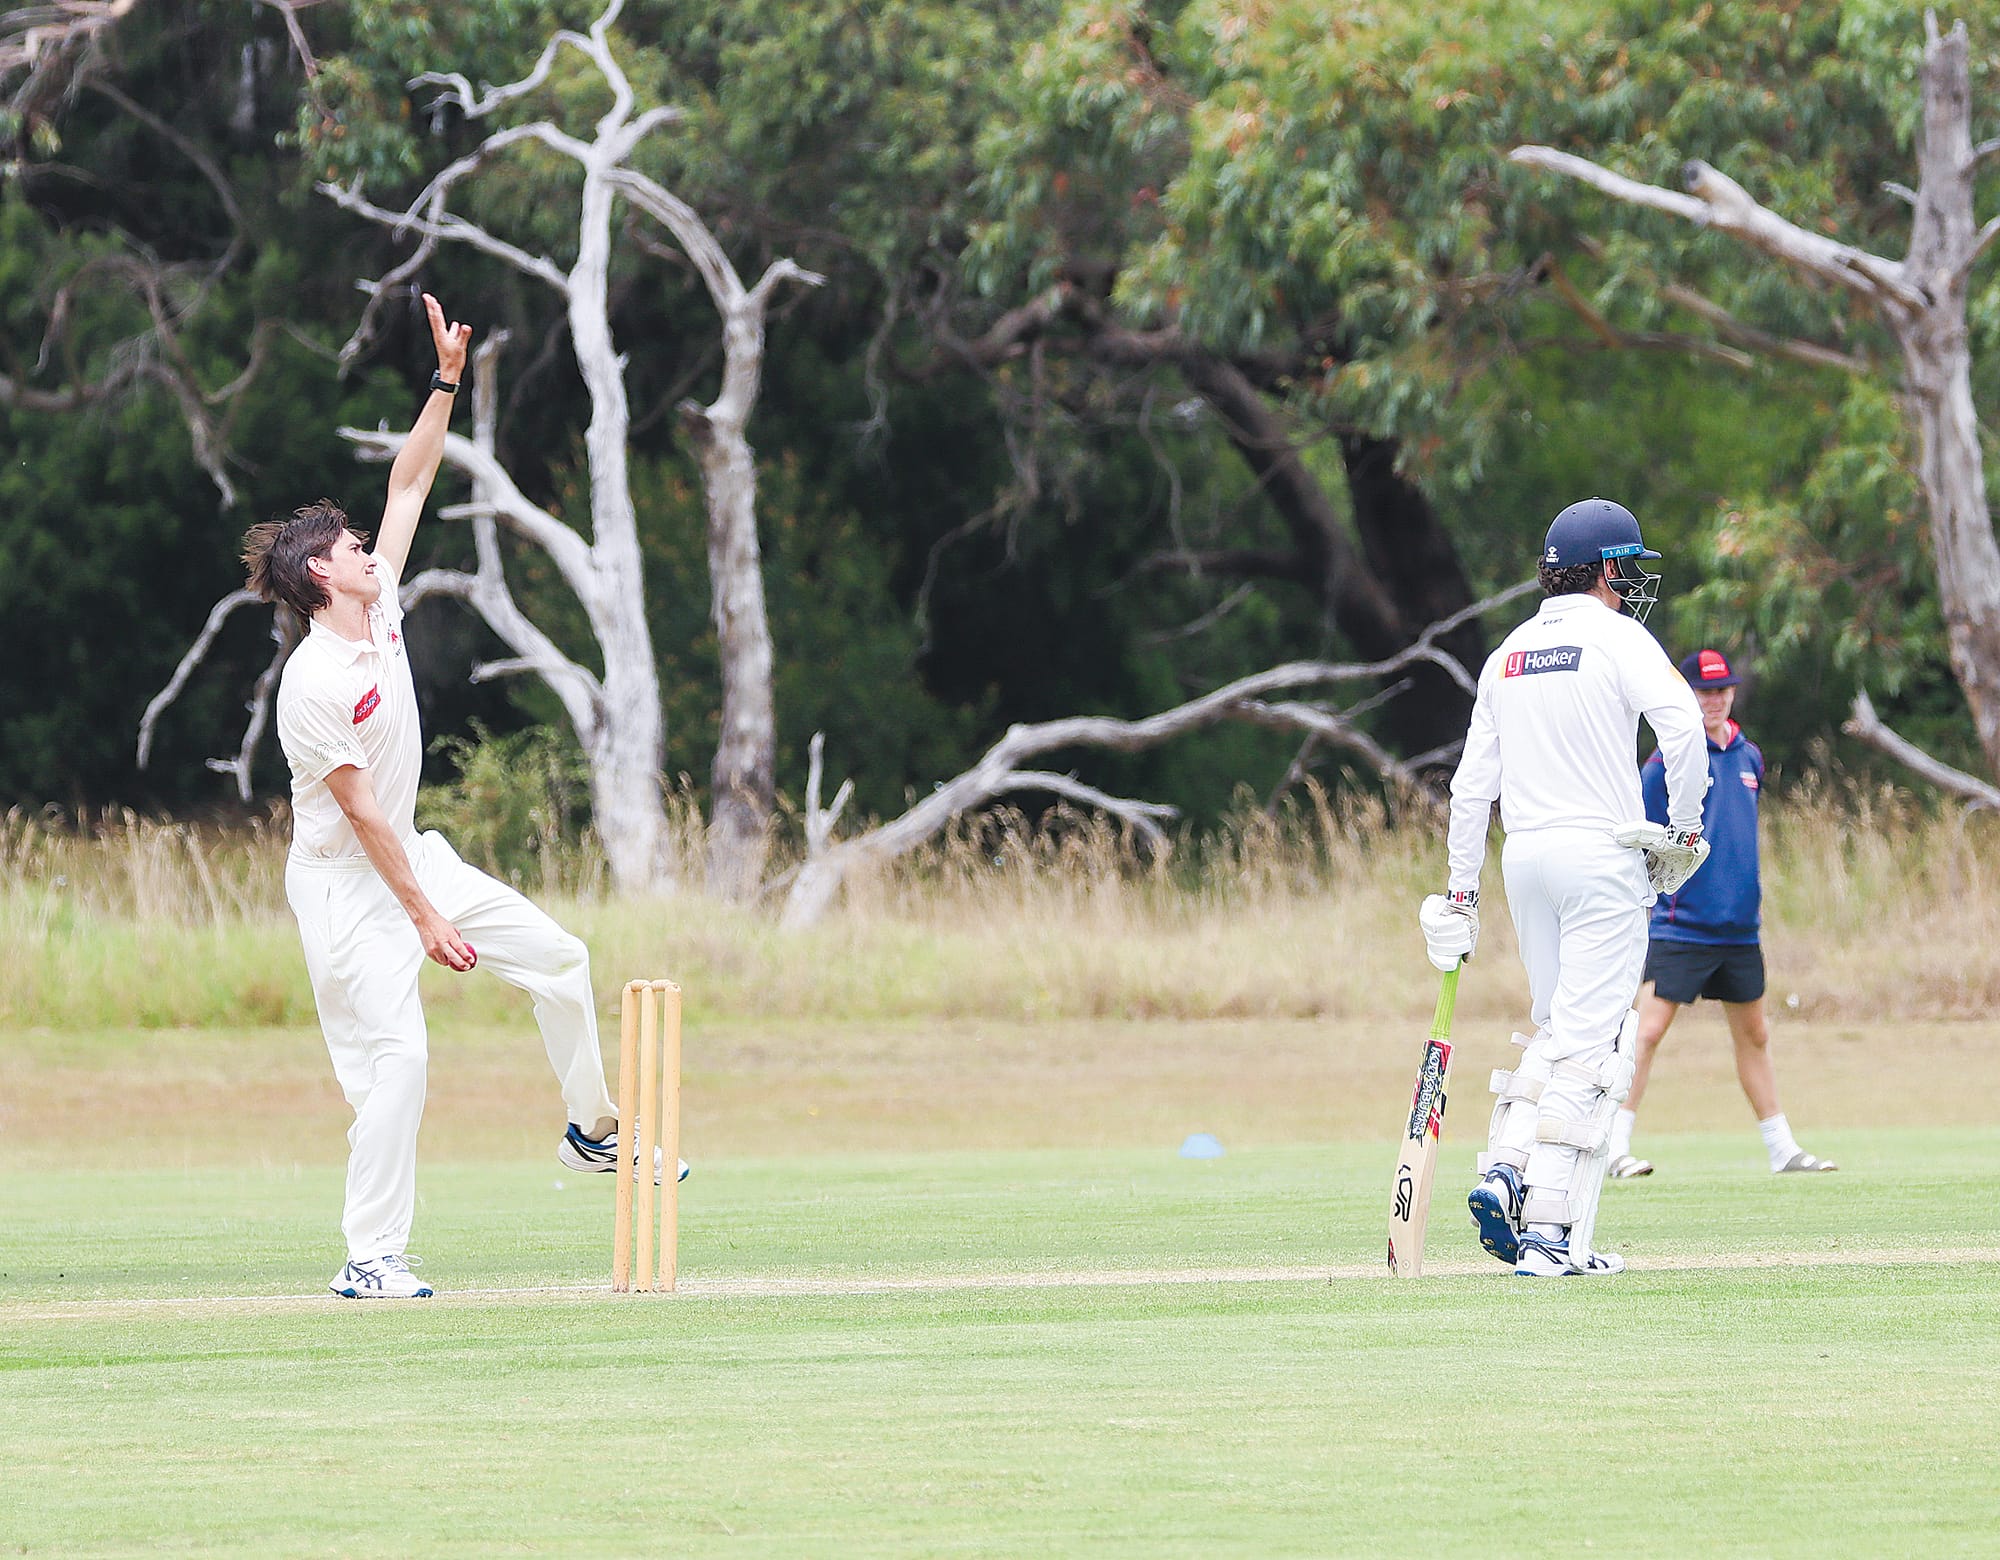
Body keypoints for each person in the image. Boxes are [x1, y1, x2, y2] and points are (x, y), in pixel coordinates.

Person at [247, 294, 679, 1300]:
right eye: (351, 548)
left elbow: (409, 478)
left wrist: (445, 376)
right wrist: (424, 916)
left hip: (409, 858)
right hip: (349, 895)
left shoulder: (378, 601)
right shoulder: (310, 685)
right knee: (397, 1066)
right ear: (321, 573)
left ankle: (588, 1131)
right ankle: (368, 1260)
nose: (368, 550)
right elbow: (356, 814)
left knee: (561, 961)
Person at [1418, 497, 1710, 1277]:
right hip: (1600, 856)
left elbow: (1470, 788)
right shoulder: (1618, 635)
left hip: (1526, 860)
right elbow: (1682, 729)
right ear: (1607, 569)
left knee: (1554, 1027)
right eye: (1629, 568)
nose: (1634, 584)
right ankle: (1548, 1235)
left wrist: (1460, 894)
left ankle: (1503, 1168)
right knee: (1592, 1045)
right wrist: (1682, 830)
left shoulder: (1507, 651)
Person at [1607, 649, 1836, 1179]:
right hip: (1681, 921)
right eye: (1703, 691)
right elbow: (1643, 838)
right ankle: (1613, 1148)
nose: (1713, 700)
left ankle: (1783, 1149)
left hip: (1738, 927)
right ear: (1685, 695)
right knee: (1646, 1032)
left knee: (1754, 1034)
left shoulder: (1748, 756)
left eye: (1721, 690)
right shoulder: (1666, 761)